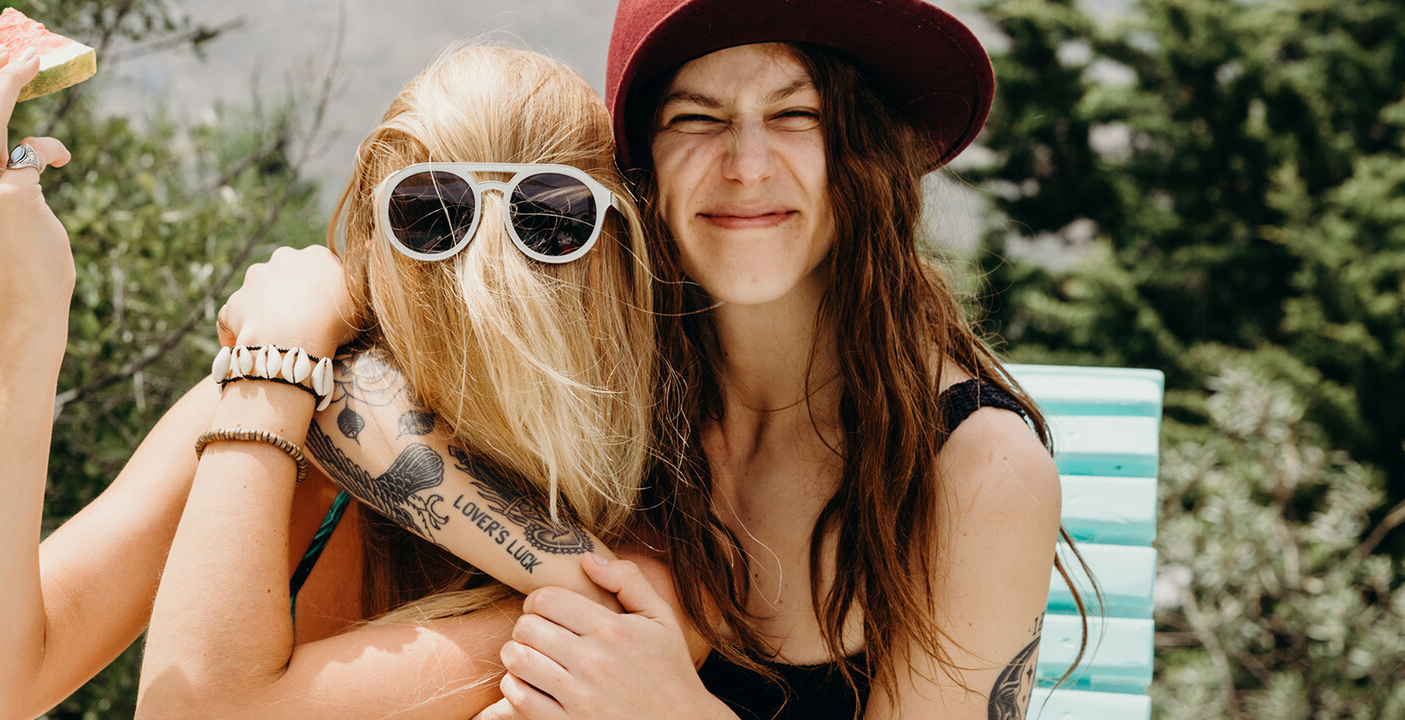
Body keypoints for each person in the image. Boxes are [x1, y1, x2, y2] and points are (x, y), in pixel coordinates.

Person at [0, 41, 692, 719]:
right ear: (372, 240)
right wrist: (23, 310)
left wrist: (271, 369)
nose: (488, 272)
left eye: (552, 218)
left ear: (628, 248)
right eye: (431, 215)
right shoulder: (274, 408)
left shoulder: (664, 517)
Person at [466, 1, 1093, 719]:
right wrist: (305, 343)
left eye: (798, 115)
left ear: (864, 154)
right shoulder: (605, 392)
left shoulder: (979, 470)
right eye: (696, 119)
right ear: (644, 167)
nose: (747, 166)